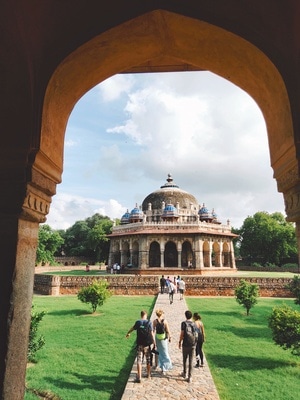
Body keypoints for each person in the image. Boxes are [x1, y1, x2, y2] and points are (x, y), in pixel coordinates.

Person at [125, 310, 155, 383]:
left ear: (141, 315)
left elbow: (132, 328)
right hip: (147, 344)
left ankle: (139, 377)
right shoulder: (149, 323)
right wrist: (154, 343)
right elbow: (151, 333)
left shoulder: (138, 322)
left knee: (139, 360)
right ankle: (148, 375)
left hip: (140, 344)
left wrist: (128, 333)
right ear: (146, 315)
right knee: (148, 360)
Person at [178, 310, 197, 383]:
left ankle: (184, 373)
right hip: (192, 344)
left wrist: (180, 341)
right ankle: (190, 376)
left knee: (184, 359)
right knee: (191, 361)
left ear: (185, 316)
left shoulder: (183, 323)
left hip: (185, 343)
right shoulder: (194, 324)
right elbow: (196, 334)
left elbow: (182, 334)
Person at [152, 309, 172, 375]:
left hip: (157, 337)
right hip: (163, 338)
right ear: (162, 314)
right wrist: (170, 337)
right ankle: (164, 367)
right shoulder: (165, 321)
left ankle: (157, 364)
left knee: (158, 351)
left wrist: (153, 339)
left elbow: (153, 330)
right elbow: (168, 330)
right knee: (164, 352)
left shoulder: (155, 321)